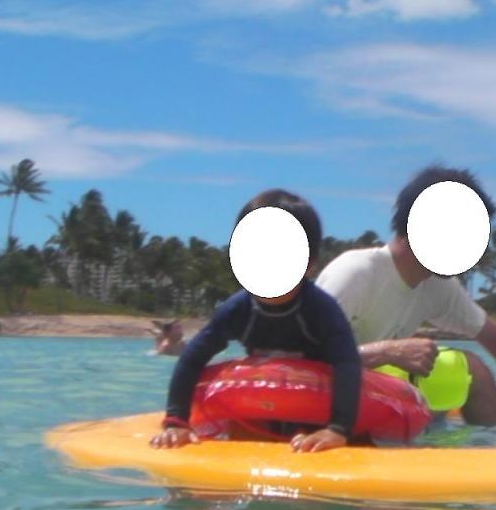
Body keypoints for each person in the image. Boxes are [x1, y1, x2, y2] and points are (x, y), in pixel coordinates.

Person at [315, 165, 496, 425]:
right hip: (321, 400)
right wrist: (387, 352)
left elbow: (495, 336)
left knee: (471, 369)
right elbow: (305, 355)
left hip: (373, 391)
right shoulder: (356, 272)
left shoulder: (436, 286)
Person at [153, 189, 362, 453]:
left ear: (310, 265)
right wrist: (176, 421)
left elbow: (347, 363)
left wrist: (338, 429)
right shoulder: (237, 310)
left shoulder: (321, 310)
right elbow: (191, 359)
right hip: (263, 407)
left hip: (314, 411)